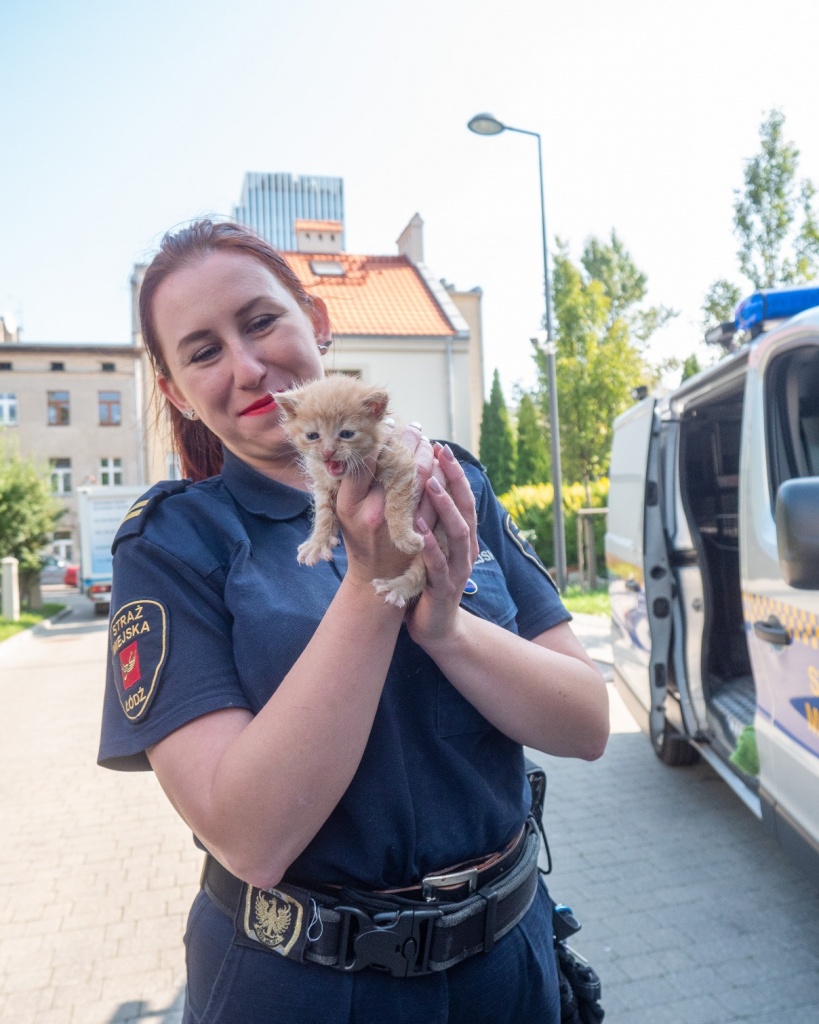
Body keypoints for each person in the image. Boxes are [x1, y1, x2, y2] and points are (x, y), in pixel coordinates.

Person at [98, 219, 609, 1024]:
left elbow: (585, 722)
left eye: (262, 321)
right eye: (202, 352)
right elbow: (251, 837)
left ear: (317, 322)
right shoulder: (172, 545)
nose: (248, 365)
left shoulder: (452, 481)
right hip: (302, 986)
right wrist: (373, 585)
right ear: (172, 390)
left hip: (507, 967)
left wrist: (447, 631)